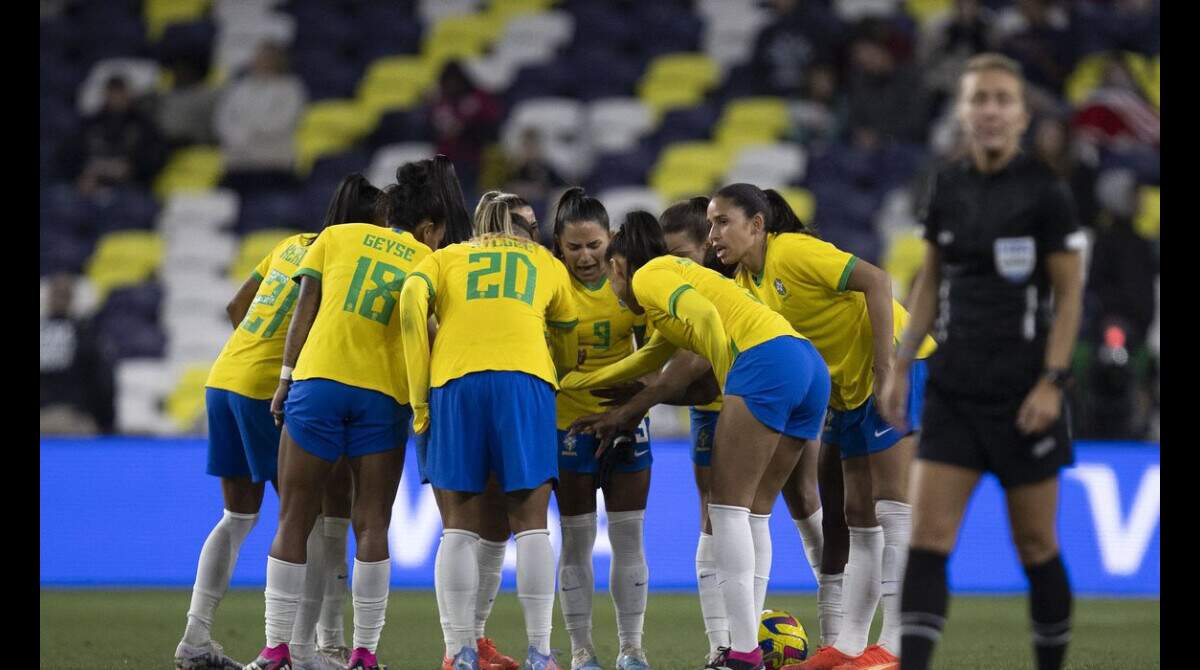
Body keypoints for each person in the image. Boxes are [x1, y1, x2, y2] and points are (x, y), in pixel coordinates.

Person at [879, 53, 1085, 670]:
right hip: (955, 388)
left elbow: (1070, 293)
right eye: (979, 99)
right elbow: (928, 281)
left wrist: (1051, 382)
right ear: (965, 112)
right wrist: (900, 363)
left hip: (1024, 389)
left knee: (1036, 543)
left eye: (1002, 99)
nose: (990, 111)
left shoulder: (1045, 192)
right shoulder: (947, 185)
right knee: (928, 540)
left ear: (1021, 115)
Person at [560, 212, 830, 670]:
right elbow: (645, 362)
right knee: (754, 511)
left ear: (620, 266)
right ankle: (758, 645)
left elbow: (704, 316)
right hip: (805, 364)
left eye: (609, 271)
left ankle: (742, 652)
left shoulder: (651, 276)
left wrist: (730, 376)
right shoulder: (668, 299)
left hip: (762, 364)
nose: (608, 283)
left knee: (724, 511)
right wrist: (567, 383)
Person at [245, 157, 467, 670]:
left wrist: (285, 378)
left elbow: (306, 307)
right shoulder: (427, 258)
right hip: (382, 396)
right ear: (427, 225)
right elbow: (432, 331)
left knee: (294, 519)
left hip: (319, 382)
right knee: (372, 526)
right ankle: (364, 654)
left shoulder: (337, 236)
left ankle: (276, 648)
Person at [705, 185, 936, 670]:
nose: (713, 235)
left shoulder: (793, 252)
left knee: (893, 507)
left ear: (757, 225)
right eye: (710, 225)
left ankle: (895, 646)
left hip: (890, 365)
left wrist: (884, 368)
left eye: (722, 222)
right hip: (848, 390)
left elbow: (876, 280)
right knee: (856, 515)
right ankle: (851, 644)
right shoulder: (747, 283)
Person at [172, 175, 380, 670]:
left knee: (239, 517)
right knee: (303, 518)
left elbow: (236, 306)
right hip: (268, 389)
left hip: (224, 377)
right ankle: (304, 652)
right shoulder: (347, 260)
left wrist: (255, 353)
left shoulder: (290, 247)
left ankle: (195, 639)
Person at [399, 193, 579, 670]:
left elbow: (411, 301)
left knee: (458, 527)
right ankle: (540, 652)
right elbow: (568, 331)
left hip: (455, 381)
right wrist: (552, 374)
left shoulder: (447, 258)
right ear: (520, 228)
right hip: (525, 379)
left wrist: (420, 396)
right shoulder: (544, 261)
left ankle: (460, 652)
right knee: (531, 525)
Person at [546, 188, 653, 670]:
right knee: (576, 540)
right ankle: (582, 651)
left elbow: (660, 355)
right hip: (570, 423)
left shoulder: (633, 282)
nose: (587, 257)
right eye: (575, 247)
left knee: (629, 538)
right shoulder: (549, 287)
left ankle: (632, 648)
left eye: (595, 245)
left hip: (629, 421)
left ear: (611, 240)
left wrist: (636, 394)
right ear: (558, 246)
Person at [215, 41, 307, 194]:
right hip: (237, 165)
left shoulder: (291, 89)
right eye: (258, 56)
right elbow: (223, 119)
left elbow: (283, 122)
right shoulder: (238, 88)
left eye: (266, 57)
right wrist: (235, 135)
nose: (260, 60)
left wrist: (249, 132)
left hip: (274, 165)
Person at [54, 75, 167, 196]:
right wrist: (81, 173)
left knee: (136, 205)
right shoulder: (88, 124)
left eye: (120, 92)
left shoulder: (144, 125)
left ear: (129, 94)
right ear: (105, 94)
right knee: (62, 198)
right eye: (113, 92)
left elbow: (155, 157)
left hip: (130, 186)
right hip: (90, 183)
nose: (117, 97)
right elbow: (66, 155)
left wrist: (132, 169)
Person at [40, 274, 115, 435]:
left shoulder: (84, 332)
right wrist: (106, 423)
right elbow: (102, 382)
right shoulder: (84, 333)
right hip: (74, 420)